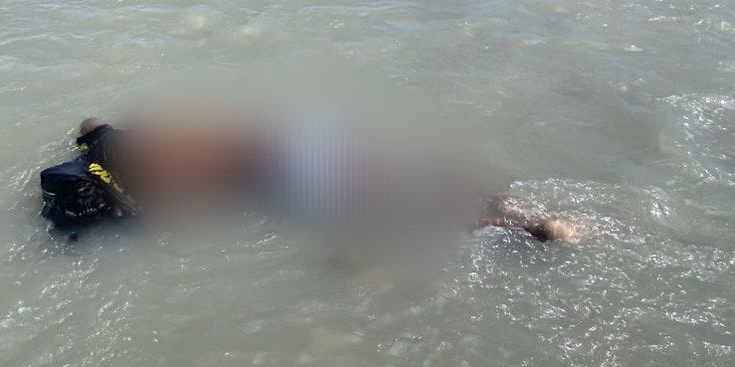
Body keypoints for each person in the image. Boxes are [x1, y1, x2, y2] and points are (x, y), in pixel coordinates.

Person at [39, 115, 584, 243]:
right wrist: (91, 146)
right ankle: (514, 209)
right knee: (405, 174)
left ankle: (530, 227)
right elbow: (90, 122)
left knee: (400, 205)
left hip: (287, 176)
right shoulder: (126, 138)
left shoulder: (156, 182)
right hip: (302, 137)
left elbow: (154, 216)